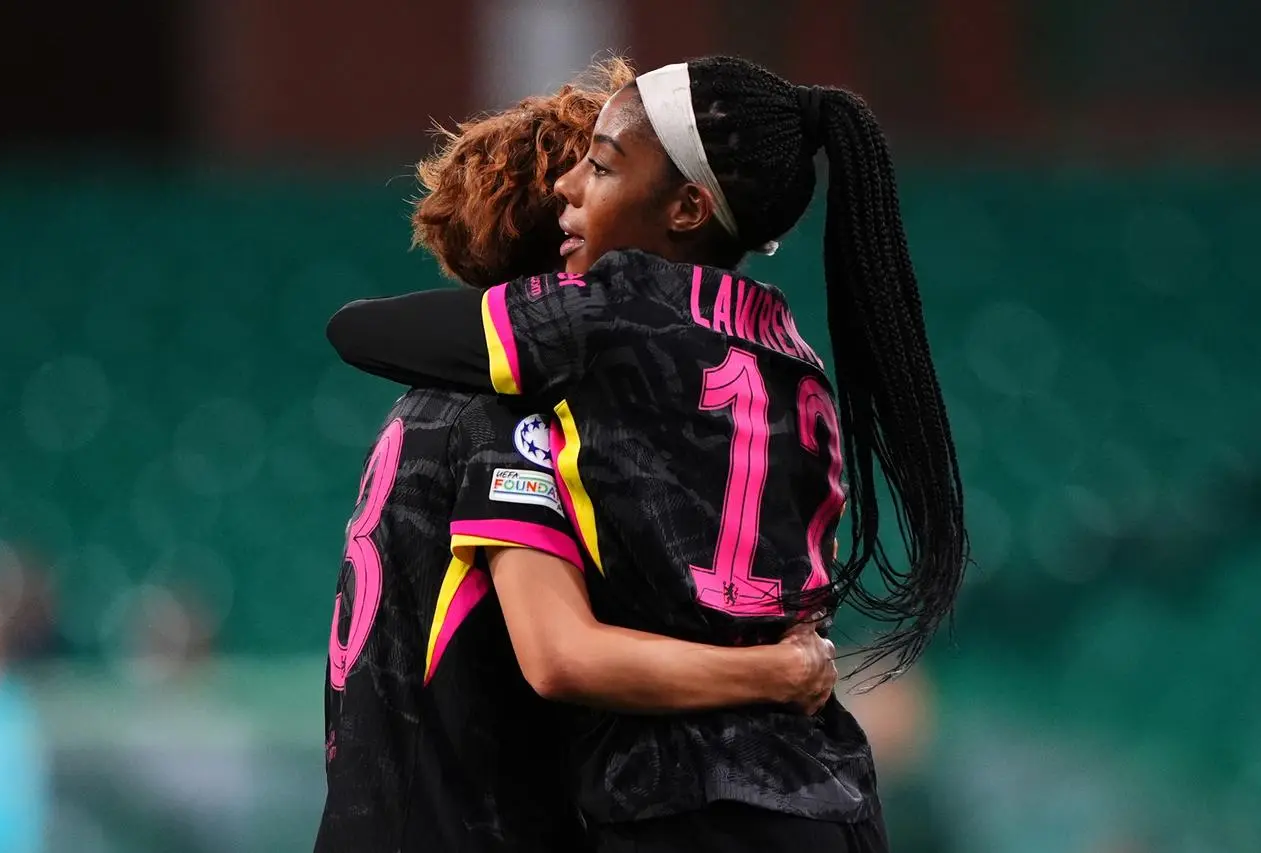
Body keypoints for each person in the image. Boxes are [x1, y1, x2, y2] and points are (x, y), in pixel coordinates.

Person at [329, 55, 970, 852]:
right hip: (829, 795)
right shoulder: (791, 357)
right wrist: (775, 672)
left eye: (597, 168)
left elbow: (559, 656)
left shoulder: (515, 397)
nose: (573, 189)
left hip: (664, 807)